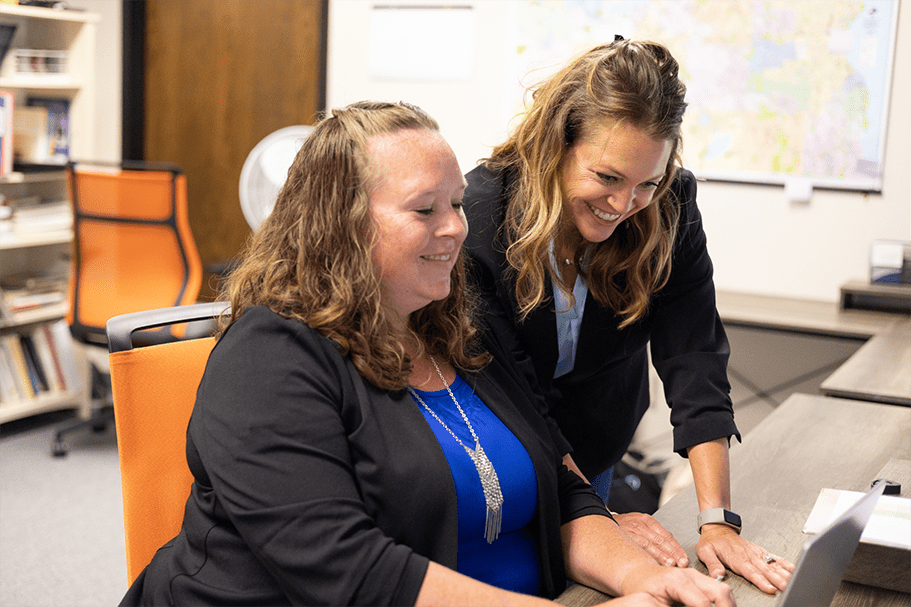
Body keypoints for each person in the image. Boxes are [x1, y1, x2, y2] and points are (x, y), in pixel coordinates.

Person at [118, 101, 734, 606]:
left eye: (458, 204)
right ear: (344, 222)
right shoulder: (268, 359)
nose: (457, 228)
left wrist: (642, 578)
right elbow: (353, 573)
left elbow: (562, 486)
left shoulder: (461, 328)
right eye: (424, 210)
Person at [462, 38, 794, 595]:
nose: (624, 204)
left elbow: (694, 356)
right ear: (555, 145)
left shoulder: (669, 205)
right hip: (510, 455)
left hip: (594, 445)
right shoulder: (481, 218)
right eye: (608, 178)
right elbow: (516, 396)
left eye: (647, 182)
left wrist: (717, 521)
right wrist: (601, 519)